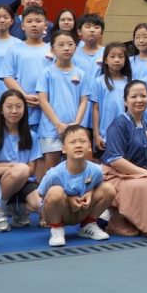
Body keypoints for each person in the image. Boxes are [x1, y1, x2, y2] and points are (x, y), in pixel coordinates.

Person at [101, 80, 147, 238]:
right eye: (134, 96)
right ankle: (116, 220)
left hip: (133, 175)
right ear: (125, 101)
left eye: (143, 96)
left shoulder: (145, 126)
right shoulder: (119, 124)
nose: (139, 100)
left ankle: (142, 222)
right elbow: (115, 160)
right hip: (114, 175)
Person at [38, 125, 114, 246]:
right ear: (64, 149)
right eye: (72, 142)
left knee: (108, 189)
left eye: (82, 141)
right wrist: (68, 199)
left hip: (82, 210)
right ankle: (56, 229)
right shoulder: (54, 174)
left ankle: (88, 225)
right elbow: (41, 194)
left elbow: (98, 187)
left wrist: (90, 193)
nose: (78, 145)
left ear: (89, 146)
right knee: (55, 192)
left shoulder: (96, 170)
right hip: (58, 213)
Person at [36, 30, 89, 180]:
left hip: (74, 129)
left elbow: (84, 101)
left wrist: (76, 124)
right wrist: (58, 124)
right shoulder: (46, 73)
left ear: (75, 48)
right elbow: (42, 99)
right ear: (52, 49)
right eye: (61, 45)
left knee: (75, 169)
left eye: (70, 44)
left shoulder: (81, 74)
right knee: (51, 172)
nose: (66, 48)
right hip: (51, 129)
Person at [0, 89, 41, 230]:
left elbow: (31, 169)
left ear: (24, 109)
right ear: (1, 110)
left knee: (40, 204)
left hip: (24, 179)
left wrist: (6, 167)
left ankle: (18, 208)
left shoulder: (32, 135)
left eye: (18, 106)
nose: (14, 111)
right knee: (21, 169)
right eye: (9, 107)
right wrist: (11, 167)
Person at [0, 6, 54, 139]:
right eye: (29, 21)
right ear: (23, 26)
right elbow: (7, 76)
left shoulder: (53, 50)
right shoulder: (14, 49)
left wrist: (44, 99)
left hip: (49, 110)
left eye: (38, 21)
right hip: (22, 109)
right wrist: (23, 96)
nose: (34, 24)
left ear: (45, 25)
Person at [90, 42, 132, 153]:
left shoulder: (129, 82)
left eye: (120, 57)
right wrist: (96, 135)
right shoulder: (99, 82)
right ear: (105, 60)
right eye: (112, 56)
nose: (116, 60)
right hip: (104, 135)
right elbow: (95, 109)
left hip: (125, 134)